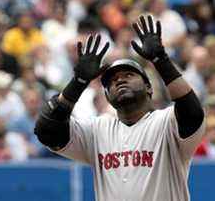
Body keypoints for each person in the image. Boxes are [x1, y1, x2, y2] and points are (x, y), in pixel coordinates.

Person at [34, 15, 205, 201]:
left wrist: (161, 60)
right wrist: (78, 82)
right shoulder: (97, 130)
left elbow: (192, 112)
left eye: (129, 74)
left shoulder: (166, 122)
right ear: (107, 96)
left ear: (149, 88)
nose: (120, 80)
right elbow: (47, 131)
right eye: (112, 81)